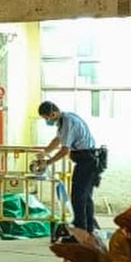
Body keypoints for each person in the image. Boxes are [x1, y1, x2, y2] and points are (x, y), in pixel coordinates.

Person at [36, 101, 105, 240]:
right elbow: (58, 139)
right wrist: (45, 151)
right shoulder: (64, 120)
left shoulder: (68, 121)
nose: (47, 121)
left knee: (78, 197)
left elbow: (64, 150)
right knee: (85, 197)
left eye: (47, 118)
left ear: (53, 113)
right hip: (86, 160)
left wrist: (48, 163)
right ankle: (88, 230)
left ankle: (80, 233)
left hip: (87, 160)